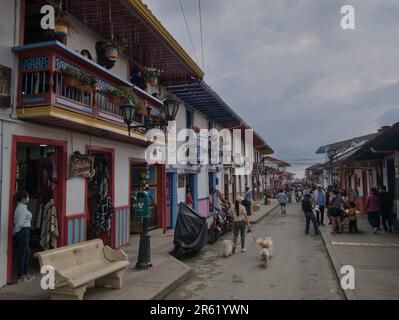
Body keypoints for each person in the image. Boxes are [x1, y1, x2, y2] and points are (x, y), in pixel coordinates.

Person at [13, 191, 35, 283]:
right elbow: (20, 223)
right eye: (26, 197)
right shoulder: (21, 208)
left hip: (24, 231)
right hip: (23, 231)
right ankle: (20, 275)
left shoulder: (21, 207)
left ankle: (25, 273)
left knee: (26, 252)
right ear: (22, 198)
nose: (27, 199)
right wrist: (15, 232)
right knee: (23, 254)